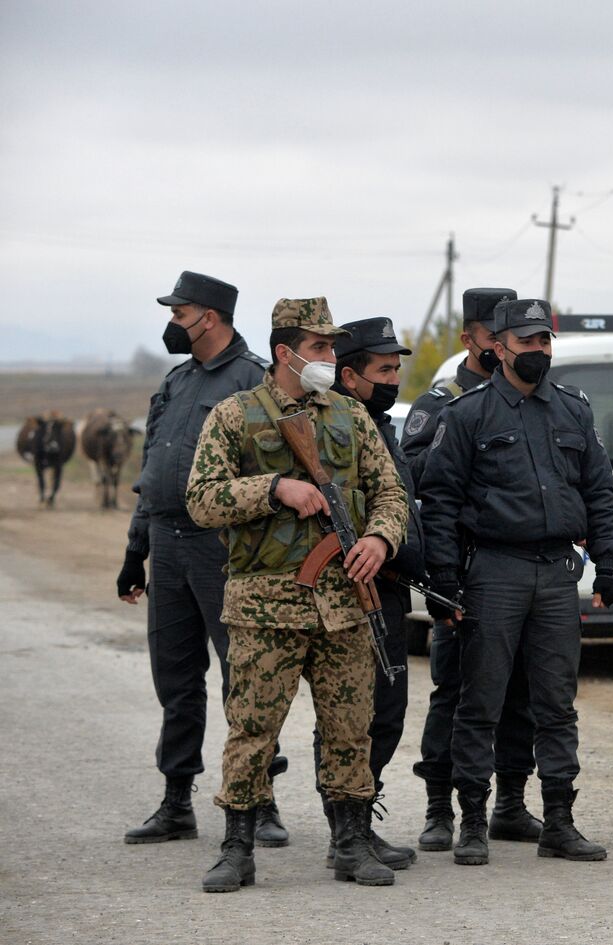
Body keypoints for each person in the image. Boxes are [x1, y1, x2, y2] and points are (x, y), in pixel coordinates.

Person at [186, 297, 408, 892]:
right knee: (253, 727)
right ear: (286, 352)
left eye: (333, 348)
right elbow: (202, 499)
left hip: (345, 602)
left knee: (350, 727)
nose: (331, 359)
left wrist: (381, 541)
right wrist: (274, 488)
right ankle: (237, 846)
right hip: (265, 606)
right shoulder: (235, 416)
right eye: (320, 348)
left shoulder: (351, 417)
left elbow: (391, 492)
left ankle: (351, 841)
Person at [418, 297, 613, 866]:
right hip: (493, 574)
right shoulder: (467, 416)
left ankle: (559, 821)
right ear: (498, 349)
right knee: (479, 702)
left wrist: (608, 563)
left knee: (556, 704)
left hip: (557, 573)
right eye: (526, 342)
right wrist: (445, 584)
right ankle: (473, 823)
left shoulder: (573, 412)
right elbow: (439, 504)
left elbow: (599, 492)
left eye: (544, 342)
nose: (538, 352)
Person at [118, 271, 288, 847]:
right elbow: (152, 472)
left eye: (178, 312)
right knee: (175, 676)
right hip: (166, 544)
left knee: (249, 678)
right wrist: (134, 549)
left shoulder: (256, 382)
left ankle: (260, 804)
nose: (171, 322)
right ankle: (176, 803)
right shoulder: (176, 382)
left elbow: (278, 475)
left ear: (208, 317)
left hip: (228, 550)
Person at [400, 288, 542, 854]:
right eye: (494, 337)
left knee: (522, 692)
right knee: (455, 692)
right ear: (472, 340)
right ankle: (440, 809)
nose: (506, 349)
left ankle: (510, 802)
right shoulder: (442, 404)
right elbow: (414, 480)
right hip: (460, 571)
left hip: (515, 572)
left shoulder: (536, 397)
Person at [302, 315, 424, 872]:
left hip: (391, 591)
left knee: (388, 712)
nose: (394, 377)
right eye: (384, 369)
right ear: (349, 376)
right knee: (350, 716)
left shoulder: (381, 425)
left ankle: (358, 818)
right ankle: (344, 831)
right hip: (348, 592)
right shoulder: (331, 427)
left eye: (397, 367)